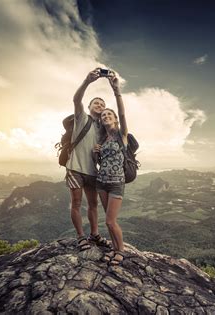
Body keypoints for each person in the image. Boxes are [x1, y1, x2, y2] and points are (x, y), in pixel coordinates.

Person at [66, 68, 111, 251]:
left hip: (93, 171)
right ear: (90, 106)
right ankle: (80, 237)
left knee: (93, 204)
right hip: (75, 167)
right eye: (96, 103)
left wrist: (101, 149)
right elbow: (76, 99)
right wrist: (87, 81)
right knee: (76, 203)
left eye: (102, 104)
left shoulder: (103, 129)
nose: (99, 105)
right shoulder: (81, 117)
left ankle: (95, 234)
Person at [93, 72, 128, 266]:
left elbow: (123, 113)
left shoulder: (121, 134)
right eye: (103, 115)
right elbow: (98, 162)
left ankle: (120, 251)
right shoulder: (102, 139)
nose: (106, 116)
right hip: (101, 183)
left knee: (110, 221)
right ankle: (114, 249)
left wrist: (116, 90)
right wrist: (95, 152)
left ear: (114, 119)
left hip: (116, 184)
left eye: (109, 114)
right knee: (108, 220)